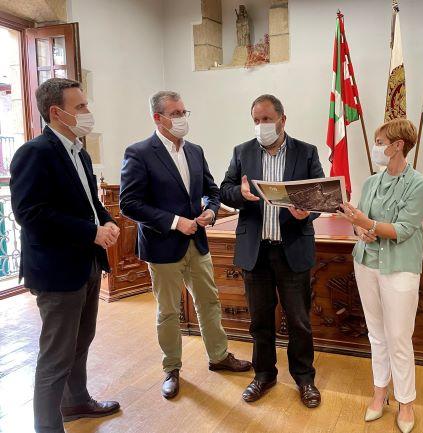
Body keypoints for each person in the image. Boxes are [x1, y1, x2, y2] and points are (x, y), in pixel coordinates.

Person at [119, 91, 251, 400]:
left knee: (209, 301)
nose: (182, 118)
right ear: (158, 118)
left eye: (183, 112)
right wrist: (176, 221)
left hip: (197, 242)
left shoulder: (195, 150)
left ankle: (219, 357)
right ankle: (172, 368)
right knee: (168, 311)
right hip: (163, 245)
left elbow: (212, 190)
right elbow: (129, 203)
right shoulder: (139, 153)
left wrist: (210, 209)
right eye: (175, 113)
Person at [10, 78, 121, 433]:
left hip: (85, 263)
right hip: (56, 269)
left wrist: (107, 220)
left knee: (81, 339)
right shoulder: (35, 153)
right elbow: (30, 213)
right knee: (55, 356)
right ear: (56, 112)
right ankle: (47, 427)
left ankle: (76, 401)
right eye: (81, 107)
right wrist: (91, 231)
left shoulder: (80, 151)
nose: (88, 113)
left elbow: (88, 202)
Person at [220, 94, 325, 408]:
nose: (261, 125)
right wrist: (238, 194)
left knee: (299, 321)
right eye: (256, 120)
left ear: (282, 119)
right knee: (260, 321)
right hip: (257, 251)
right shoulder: (242, 152)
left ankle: (305, 378)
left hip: (292, 248)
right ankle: (263, 375)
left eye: (266, 119)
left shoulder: (306, 152)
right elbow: (224, 188)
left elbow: (321, 194)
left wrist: (308, 211)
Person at [339, 118, 423, 433]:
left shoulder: (418, 185)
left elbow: (404, 229)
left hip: (399, 267)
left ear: (398, 146)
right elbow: (359, 222)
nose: (377, 147)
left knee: (399, 338)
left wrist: (369, 225)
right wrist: (359, 228)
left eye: (380, 142)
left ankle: (406, 401)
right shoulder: (371, 182)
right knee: (376, 334)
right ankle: (380, 392)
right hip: (366, 264)